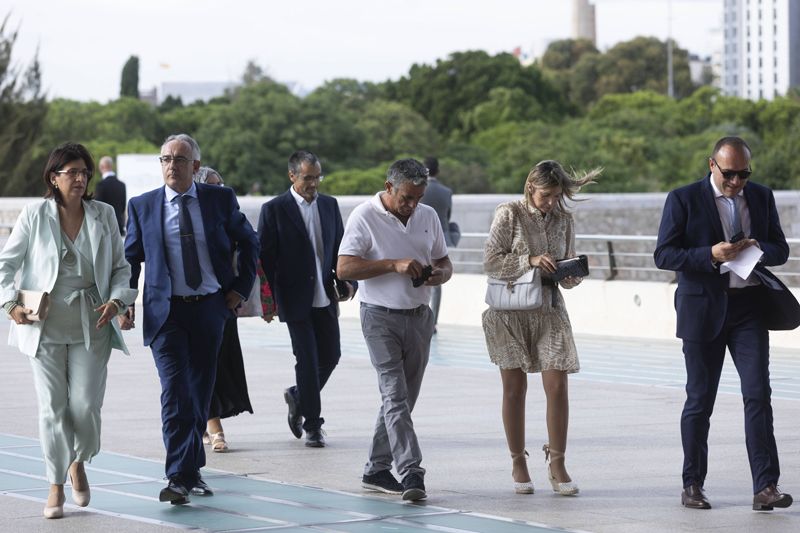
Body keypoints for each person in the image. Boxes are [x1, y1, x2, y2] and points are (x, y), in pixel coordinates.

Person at [654, 136, 793, 511]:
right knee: (700, 401)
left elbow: (781, 248)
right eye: (729, 173)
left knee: (758, 395)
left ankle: (766, 487)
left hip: (749, 308)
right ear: (711, 165)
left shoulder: (761, 196)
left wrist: (757, 248)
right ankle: (692, 485)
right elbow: (663, 254)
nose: (736, 182)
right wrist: (710, 255)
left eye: (743, 174)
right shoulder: (682, 198)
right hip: (702, 310)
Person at [0, 142, 137, 519]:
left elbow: (121, 268)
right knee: (52, 409)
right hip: (42, 327)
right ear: (53, 177)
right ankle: (55, 484)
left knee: (85, 406)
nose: (79, 179)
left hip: (91, 323)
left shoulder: (104, 214)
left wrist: (119, 300)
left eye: (84, 172)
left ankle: (79, 461)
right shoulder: (34, 214)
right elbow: (5, 264)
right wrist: (9, 303)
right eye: (71, 172)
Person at [121, 134, 258, 505]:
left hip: (210, 308)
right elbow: (130, 258)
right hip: (166, 313)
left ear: (195, 167)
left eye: (180, 160)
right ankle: (177, 476)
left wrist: (240, 289)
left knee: (199, 393)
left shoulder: (219, 200)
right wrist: (125, 301)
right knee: (175, 392)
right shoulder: (142, 206)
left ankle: (191, 470)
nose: (171, 166)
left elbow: (250, 241)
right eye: (165, 159)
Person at [337, 158, 453, 501]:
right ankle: (412, 471)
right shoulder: (364, 215)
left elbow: (445, 262)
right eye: (406, 197)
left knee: (403, 399)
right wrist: (394, 265)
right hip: (379, 317)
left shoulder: (428, 216)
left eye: (418, 197)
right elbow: (344, 268)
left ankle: (376, 469)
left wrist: (438, 274)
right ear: (389, 187)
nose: (412, 204)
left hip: (419, 316)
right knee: (394, 395)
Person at [482, 160, 598, 497]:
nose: (550, 203)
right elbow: (490, 260)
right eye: (545, 195)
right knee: (514, 390)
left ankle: (557, 462)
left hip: (549, 309)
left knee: (558, 386)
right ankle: (518, 461)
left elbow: (568, 273)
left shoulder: (565, 219)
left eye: (556, 196)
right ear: (530, 187)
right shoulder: (509, 213)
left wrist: (571, 272)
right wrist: (530, 261)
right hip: (510, 309)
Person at [258, 150, 355, 448]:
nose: (314, 183)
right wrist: (268, 302)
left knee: (331, 356)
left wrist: (347, 282)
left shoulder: (329, 205)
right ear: (292, 176)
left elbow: (341, 249)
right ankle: (313, 424)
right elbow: (265, 259)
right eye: (308, 178)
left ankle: (298, 396)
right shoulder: (274, 209)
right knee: (308, 361)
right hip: (293, 297)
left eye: (317, 177)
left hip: (325, 296)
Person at [193, 167, 254, 455]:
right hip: (190, 303)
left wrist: (240, 289)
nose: (220, 191)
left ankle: (207, 419)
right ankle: (214, 426)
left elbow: (250, 244)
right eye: (213, 186)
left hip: (223, 300)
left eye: (221, 185)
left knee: (220, 362)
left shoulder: (227, 212)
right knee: (205, 364)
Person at [419, 157, 454, 330]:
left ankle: (419, 316)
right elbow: (447, 217)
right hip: (440, 240)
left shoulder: (418, 189)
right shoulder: (446, 191)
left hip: (418, 238)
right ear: (437, 171)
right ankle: (432, 322)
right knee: (436, 280)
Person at [94, 156, 127, 235]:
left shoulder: (101, 185)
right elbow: (123, 207)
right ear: (111, 166)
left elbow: (98, 208)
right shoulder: (121, 185)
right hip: (118, 225)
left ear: (101, 167)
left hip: (104, 227)